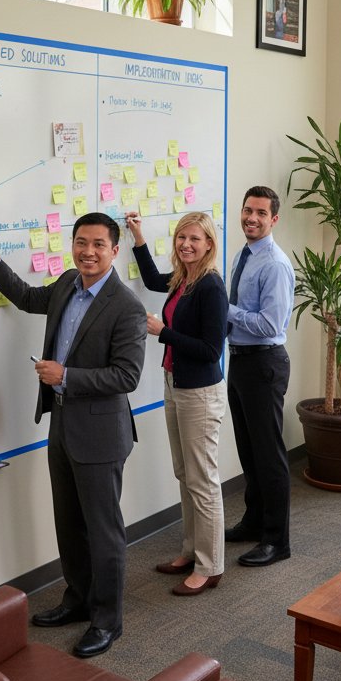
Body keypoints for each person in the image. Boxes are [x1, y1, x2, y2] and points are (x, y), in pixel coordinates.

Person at [0, 213, 146, 658]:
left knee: (103, 531)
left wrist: (66, 375)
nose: (88, 252)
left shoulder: (125, 307)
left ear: (114, 250)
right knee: (68, 523)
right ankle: (78, 599)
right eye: (80, 242)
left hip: (101, 435)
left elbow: (126, 376)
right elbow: (32, 298)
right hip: (63, 425)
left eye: (98, 245)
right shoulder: (69, 282)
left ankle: (108, 620)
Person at [125, 211, 228, 596]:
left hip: (200, 392)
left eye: (194, 239)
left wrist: (163, 332)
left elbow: (210, 349)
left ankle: (211, 565)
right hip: (176, 384)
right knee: (185, 474)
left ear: (209, 245)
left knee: (202, 480)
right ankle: (191, 550)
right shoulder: (185, 279)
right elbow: (153, 279)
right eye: (181, 237)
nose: (186, 244)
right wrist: (137, 236)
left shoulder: (210, 286)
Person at [225, 186, 295, 567]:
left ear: (273, 220)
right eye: (247, 210)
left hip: (264, 362)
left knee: (269, 456)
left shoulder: (275, 264)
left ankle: (276, 540)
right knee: (248, 451)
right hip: (240, 361)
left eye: (260, 213)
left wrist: (226, 310)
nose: (251, 218)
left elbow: (269, 323)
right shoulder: (243, 254)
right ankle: (253, 523)